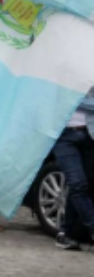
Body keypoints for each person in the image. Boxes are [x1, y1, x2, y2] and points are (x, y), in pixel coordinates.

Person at [54, 89, 94, 250]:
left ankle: (65, 233)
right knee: (78, 184)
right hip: (63, 137)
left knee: (81, 185)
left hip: (88, 134)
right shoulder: (58, 79)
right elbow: (64, 100)